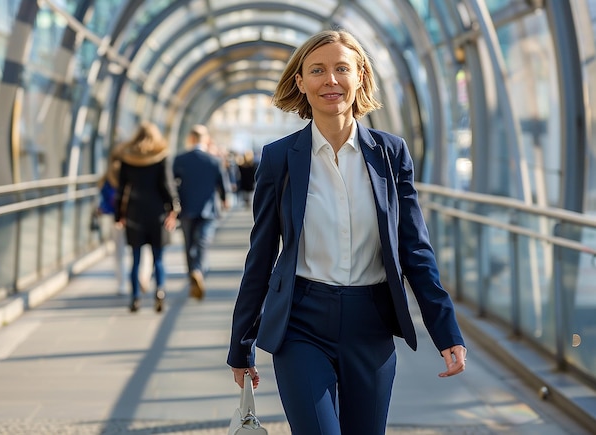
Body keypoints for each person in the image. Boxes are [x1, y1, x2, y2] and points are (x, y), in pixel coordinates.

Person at [226, 29, 467, 435]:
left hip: (370, 324)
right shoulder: (279, 158)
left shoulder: (390, 154)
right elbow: (262, 254)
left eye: (342, 69)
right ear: (300, 82)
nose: (330, 81)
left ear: (360, 77)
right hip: (300, 324)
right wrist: (241, 343)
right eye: (317, 70)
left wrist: (446, 330)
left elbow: (415, 250)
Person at [114, 121, 179, 313]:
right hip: (157, 214)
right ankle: (159, 292)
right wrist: (173, 210)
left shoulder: (128, 158)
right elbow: (168, 185)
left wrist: (119, 215)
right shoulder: (161, 157)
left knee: (135, 260)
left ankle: (135, 298)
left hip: (134, 214)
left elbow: (121, 190)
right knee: (158, 259)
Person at [172, 124, 230, 300]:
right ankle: (198, 270)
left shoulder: (180, 159)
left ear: (190, 138)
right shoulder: (213, 160)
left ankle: (192, 274)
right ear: (205, 139)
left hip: (186, 208)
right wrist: (225, 199)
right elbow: (222, 184)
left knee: (189, 244)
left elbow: (172, 183)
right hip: (208, 209)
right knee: (203, 242)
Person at [96, 146, 128, 295]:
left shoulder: (108, 175)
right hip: (131, 215)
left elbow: (104, 197)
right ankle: (142, 276)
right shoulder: (131, 172)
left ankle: (121, 283)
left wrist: (102, 209)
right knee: (139, 248)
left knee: (119, 252)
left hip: (114, 217)